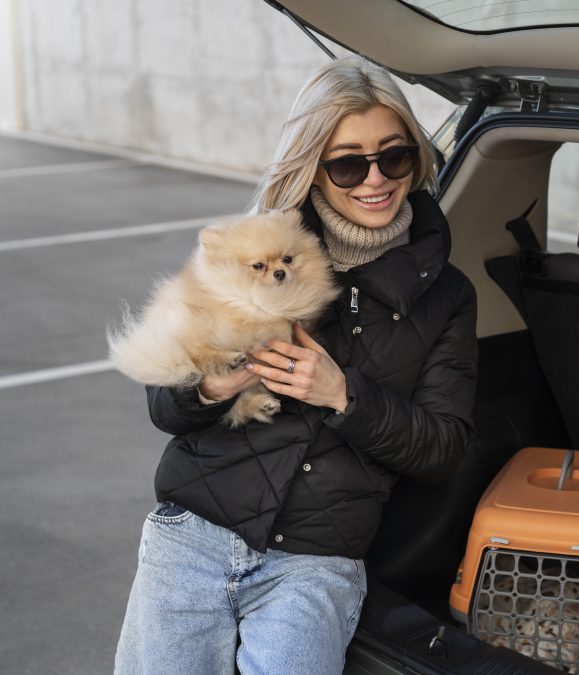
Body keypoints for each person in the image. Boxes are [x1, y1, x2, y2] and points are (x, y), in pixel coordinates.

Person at [115, 57, 478, 674]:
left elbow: (442, 450)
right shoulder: (254, 246)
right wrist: (213, 385)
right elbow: (162, 406)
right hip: (194, 534)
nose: (374, 180)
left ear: (415, 160)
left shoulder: (447, 294)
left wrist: (344, 396)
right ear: (314, 167)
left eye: (393, 157)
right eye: (347, 163)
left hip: (316, 561)